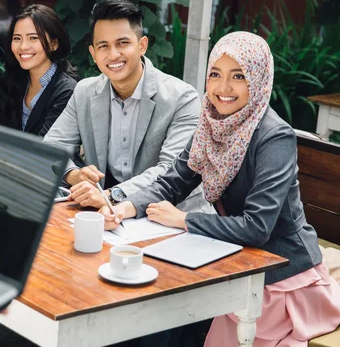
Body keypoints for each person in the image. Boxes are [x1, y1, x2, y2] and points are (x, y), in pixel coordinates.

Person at [101, 32, 340, 346]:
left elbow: (257, 228)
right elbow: (173, 182)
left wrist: (183, 220)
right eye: (215, 74)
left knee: (177, 314)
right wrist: (123, 208)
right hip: (233, 257)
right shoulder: (211, 121)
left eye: (238, 76)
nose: (223, 88)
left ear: (258, 80)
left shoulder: (274, 136)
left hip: (279, 273)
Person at [44, 0, 210, 214]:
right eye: (103, 46)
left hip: (173, 216)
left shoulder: (182, 98)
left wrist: (111, 195)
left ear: (142, 46)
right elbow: (50, 149)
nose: (113, 55)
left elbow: (172, 172)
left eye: (122, 43)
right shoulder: (85, 92)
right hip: (110, 217)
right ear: (93, 54)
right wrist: (73, 174)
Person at [0, 4, 77, 136]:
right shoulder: (12, 81)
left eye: (33, 38)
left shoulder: (67, 91)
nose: (23, 46)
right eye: (17, 38)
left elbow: (45, 147)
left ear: (54, 44)